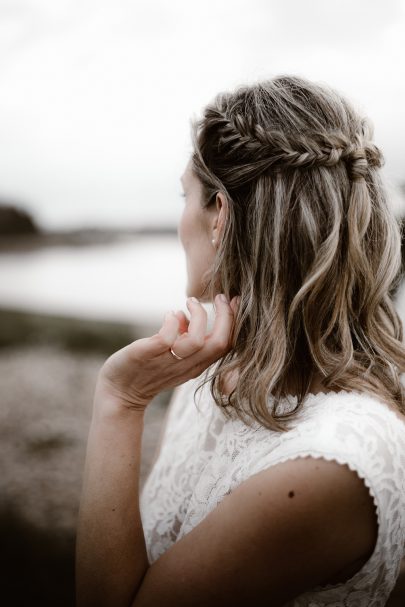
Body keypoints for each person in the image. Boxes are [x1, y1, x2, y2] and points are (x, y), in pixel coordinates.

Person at [76, 76, 405, 606]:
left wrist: (120, 401)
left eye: (187, 195)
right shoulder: (216, 368)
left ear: (221, 216)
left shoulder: (325, 466)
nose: (182, 216)